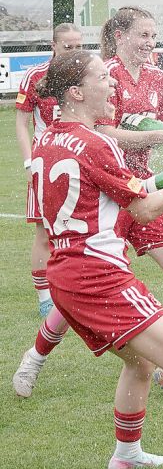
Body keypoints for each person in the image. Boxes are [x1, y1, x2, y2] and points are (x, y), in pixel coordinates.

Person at [27, 49, 163, 469]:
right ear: (76, 92)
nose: (113, 84)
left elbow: (120, 192)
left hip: (66, 272)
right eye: (103, 77)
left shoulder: (47, 138)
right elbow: (141, 210)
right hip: (97, 275)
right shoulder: (97, 143)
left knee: (138, 362)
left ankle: (126, 454)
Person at [13, 7, 163, 395]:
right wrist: (160, 138)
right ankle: (35, 357)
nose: (151, 44)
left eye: (154, 36)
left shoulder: (156, 77)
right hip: (101, 197)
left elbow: (155, 127)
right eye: (143, 36)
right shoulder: (100, 72)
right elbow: (97, 132)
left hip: (141, 188)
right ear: (119, 35)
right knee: (77, 297)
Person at [14, 23, 84, 318]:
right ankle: (45, 298)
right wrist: (29, 162)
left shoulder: (86, 74)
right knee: (45, 234)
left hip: (79, 163)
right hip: (46, 163)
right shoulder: (35, 76)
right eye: (68, 47)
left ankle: (78, 290)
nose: (74, 52)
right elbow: (20, 123)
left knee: (81, 229)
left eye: (78, 46)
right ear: (53, 46)